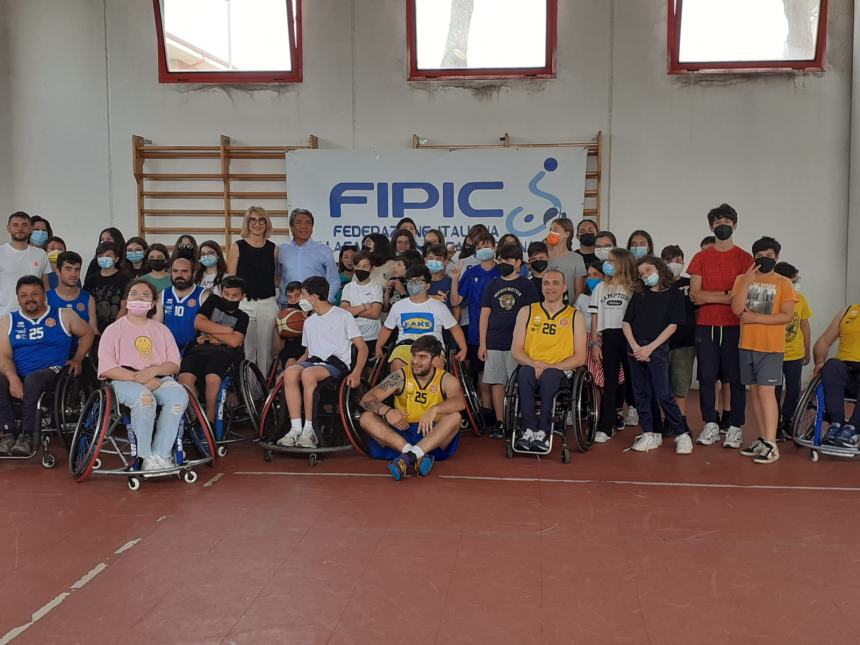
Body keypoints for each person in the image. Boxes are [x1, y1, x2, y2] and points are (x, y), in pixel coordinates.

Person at [97, 279, 188, 472]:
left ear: (154, 303)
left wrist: (153, 372)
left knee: (179, 397)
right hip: (124, 380)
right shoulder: (113, 330)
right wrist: (142, 378)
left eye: (146, 295)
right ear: (127, 300)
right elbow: (106, 368)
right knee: (145, 399)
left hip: (159, 377)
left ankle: (160, 455)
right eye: (134, 293)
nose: (139, 297)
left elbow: (174, 363)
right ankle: (145, 456)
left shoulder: (162, 330)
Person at [0, 276, 94, 456]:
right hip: (20, 373)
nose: (30, 299)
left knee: (34, 380)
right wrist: (12, 379)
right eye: (24, 295)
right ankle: (8, 433)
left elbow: (88, 333)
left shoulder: (63, 315)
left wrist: (78, 358)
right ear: (18, 298)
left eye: (35, 294)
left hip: (54, 373)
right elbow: (3, 355)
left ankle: (27, 435)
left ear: (44, 295)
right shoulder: (7, 321)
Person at [688, 203, 754, 449]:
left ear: (734, 225)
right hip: (706, 324)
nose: (722, 226)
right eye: (717, 222)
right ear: (710, 226)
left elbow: (743, 297)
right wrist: (728, 295)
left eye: (726, 221)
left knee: (736, 377)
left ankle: (735, 427)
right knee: (706, 376)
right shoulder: (700, 258)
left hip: (735, 325)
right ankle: (710, 423)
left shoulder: (745, 258)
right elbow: (695, 295)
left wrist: (712, 296)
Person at [276, 277, 368, 449]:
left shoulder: (343, 315)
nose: (300, 299)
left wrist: (356, 373)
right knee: (290, 372)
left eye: (303, 294)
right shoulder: (309, 321)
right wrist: (290, 367)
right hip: (314, 361)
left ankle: (310, 430)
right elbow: (307, 354)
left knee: (308, 373)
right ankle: (295, 428)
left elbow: (362, 348)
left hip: (336, 365)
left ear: (314, 297)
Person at [359, 335, 465, 480]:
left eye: (422, 357)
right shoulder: (400, 376)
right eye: (414, 355)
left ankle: (407, 458)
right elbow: (366, 400)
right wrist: (387, 411)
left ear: (435, 360)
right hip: (401, 434)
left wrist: (435, 409)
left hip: (431, 435)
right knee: (366, 418)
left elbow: (460, 402)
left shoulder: (446, 379)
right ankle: (414, 454)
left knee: (455, 417)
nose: (415, 361)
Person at [731, 237, 796, 464]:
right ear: (754, 257)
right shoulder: (742, 279)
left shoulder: (783, 283)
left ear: (777, 257)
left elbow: (786, 316)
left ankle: (772, 444)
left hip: (771, 348)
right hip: (747, 345)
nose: (764, 259)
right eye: (760, 255)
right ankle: (763, 437)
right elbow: (737, 309)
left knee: (767, 393)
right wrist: (747, 281)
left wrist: (756, 318)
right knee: (756, 393)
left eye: (769, 256)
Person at [511, 269, 587, 452]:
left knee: (549, 377)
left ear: (564, 287)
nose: (550, 287)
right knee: (524, 373)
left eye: (555, 283)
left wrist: (552, 365)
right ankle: (529, 429)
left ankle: (543, 431)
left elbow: (580, 356)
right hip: (532, 365)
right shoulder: (526, 311)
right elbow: (516, 349)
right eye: (546, 283)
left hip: (560, 369)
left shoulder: (574, 315)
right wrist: (533, 363)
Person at [622, 256, 691, 454]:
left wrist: (650, 348)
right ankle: (650, 433)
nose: (646, 276)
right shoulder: (639, 294)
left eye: (649, 270)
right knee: (641, 393)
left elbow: (673, 325)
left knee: (663, 393)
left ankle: (682, 434)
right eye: (642, 274)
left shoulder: (674, 295)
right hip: (635, 349)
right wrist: (636, 346)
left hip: (656, 349)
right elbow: (626, 322)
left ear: (660, 268)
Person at [479, 244, 539, 438]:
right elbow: (484, 315)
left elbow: (533, 314)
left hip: (519, 344)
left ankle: (517, 419)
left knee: (519, 383)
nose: (504, 264)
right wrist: (482, 343)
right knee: (497, 383)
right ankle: (500, 421)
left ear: (518, 263)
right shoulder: (492, 284)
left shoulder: (526, 284)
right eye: (501, 260)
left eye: (508, 260)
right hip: (494, 341)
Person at [178, 276, 249, 423]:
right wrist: (227, 330)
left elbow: (235, 341)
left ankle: (208, 422)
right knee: (185, 378)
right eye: (226, 294)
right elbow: (198, 323)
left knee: (213, 378)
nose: (230, 298)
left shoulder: (243, 317)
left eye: (235, 295)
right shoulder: (213, 301)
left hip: (222, 353)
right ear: (221, 292)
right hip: (199, 349)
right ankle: (194, 419)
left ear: (243, 296)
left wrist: (210, 331)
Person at [376, 266, 468, 373]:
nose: (413, 284)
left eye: (418, 281)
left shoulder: (439, 306)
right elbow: (387, 328)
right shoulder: (398, 306)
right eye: (410, 281)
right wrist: (378, 346)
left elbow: (454, 328)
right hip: (405, 346)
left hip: (432, 348)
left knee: (436, 365)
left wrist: (463, 348)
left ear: (427, 285)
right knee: (397, 365)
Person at [589, 248, 637, 442]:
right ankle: (605, 426)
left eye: (612, 261)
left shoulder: (633, 287)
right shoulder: (600, 287)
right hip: (609, 336)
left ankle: (650, 424)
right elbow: (594, 317)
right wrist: (594, 342)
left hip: (630, 336)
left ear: (623, 264)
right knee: (609, 382)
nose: (607, 264)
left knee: (636, 380)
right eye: (607, 261)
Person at [451, 232, 499, 427]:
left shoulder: (501, 271)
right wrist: (454, 279)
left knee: (497, 374)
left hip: (500, 332)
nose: (482, 250)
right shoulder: (471, 273)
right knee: (481, 373)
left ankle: (500, 416)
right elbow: (456, 301)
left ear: (494, 247)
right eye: (478, 247)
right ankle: (484, 413)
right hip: (476, 332)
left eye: (486, 246)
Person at [227, 206, 280, 373]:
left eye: (261, 220)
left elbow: (274, 278)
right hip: (245, 304)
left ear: (266, 223)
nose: (257, 224)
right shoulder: (237, 247)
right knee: (248, 351)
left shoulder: (274, 249)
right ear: (247, 223)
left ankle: (264, 393)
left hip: (267, 303)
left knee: (266, 352)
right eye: (253, 220)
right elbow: (231, 279)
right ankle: (249, 392)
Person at [813, 304, 860, 447]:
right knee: (832, 364)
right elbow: (825, 340)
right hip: (845, 372)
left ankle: (853, 429)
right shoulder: (849, 311)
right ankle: (836, 424)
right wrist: (819, 362)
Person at [774, 262, 812, 439]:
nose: (796, 283)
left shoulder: (801, 299)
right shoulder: (772, 298)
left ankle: (788, 420)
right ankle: (774, 425)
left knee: (794, 391)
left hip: (795, 354)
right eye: (793, 280)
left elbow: (804, 324)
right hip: (774, 352)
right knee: (774, 391)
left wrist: (807, 348)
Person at [661, 245, 696, 434]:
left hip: (685, 341)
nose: (674, 264)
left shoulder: (690, 284)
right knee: (664, 383)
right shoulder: (658, 285)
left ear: (683, 262)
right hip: (661, 342)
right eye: (669, 260)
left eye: (678, 260)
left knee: (680, 383)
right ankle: (668, 419)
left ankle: (680, 420)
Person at [278, 208, 339, 305]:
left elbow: (334, 280)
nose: (304, 226)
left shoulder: (324, 250)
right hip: (288, 305)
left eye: (308, 223)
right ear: (292, 228)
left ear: (312, 227)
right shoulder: (281, 250)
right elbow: (277, 277)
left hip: (315, 306)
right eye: (299, 222)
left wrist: (325, 301)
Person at [0, 212, 50, 317]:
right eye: (15, 225)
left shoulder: (41, 255)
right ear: (8, 228)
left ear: (31, 228)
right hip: (4, 317)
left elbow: (46, 288)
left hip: (35, 318)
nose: (20, 229)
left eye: (24, 225)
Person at [155, 256, 208, 354]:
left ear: (193, 273)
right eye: (175, 271)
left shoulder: (204, 295)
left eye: (184, 271)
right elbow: (156, 327)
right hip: (168, 349)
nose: (179, 275)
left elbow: (209, 329)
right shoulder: (162, 295)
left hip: (196, 349)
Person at [339, 251, 384, 355]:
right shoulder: (348, 287)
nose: (361, 269)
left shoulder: (376, 287)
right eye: (358, 266)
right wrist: (363, 307)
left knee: (369, 369)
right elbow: (343, 311)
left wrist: (353, 311)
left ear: (371, 269)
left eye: (365, 266)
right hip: (352, 335)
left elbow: (375, 314)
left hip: (372, 336)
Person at [47, 251, 99, 338]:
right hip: (54, 350)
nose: (73, 274)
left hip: (82, 349)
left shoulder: (88, 298)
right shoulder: (46, 298)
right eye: (68, 269)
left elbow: (93, 330)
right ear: (58, 272)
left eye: (77, 269)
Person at [83, 241, 130, 335]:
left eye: (108, 255)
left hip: (119, 328)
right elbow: (87, 304)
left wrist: (114, 329)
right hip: (95, 328)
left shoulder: (125, 278)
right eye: (100, 256)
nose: (103, 258)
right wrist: (94, 329)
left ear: (116, 259)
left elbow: (124, 306)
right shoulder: (91, 279)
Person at [546, 217, 586, 304]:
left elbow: (579, 292)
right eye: (550, 230)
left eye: (555, 230)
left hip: (568, 309)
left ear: (567, 234)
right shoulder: (544, 258)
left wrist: (572, 311)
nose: (551, 233)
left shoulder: (576, 258)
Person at [273, 282, 306, 372]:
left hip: (308, 351)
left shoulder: (311, 314)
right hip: (290, 351)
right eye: (289, 297)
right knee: (290, 364)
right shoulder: (283, 316)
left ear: (304, 295)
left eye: (297, 296)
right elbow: (277, 351)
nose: (293, 300)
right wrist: (276, 328)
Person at [424, 244, 457, 316]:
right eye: (431, 258)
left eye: (438, 259)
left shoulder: (451, 282)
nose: (434, 261)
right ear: (426, 260)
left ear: (446, 261)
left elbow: (456, 308)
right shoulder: (420, 282)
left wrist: (453, 326)